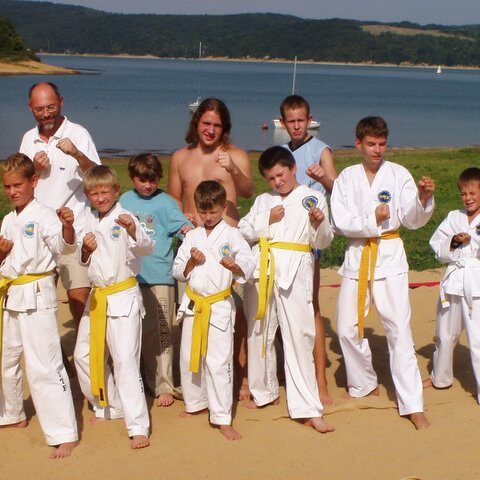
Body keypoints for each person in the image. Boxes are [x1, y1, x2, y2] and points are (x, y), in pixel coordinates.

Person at [330, 116, 435, 429]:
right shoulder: (347, 178)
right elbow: (339, 221)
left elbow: (411, 219)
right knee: (346, 328)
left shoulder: (398, 174)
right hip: (358, 255)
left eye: (382, 144)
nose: (377, 150)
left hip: (389, 256)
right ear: (358, 143)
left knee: (399, 330)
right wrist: (371, 218)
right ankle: (364, 383)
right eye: (371, 144)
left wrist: (422, 199)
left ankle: (412, 404)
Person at [239, 146, 334, 433]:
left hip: (296, 267)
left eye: (281, 175)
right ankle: (264, 392)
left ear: (293, 168)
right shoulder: (262, 201)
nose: (277, 182)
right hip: (263, 267)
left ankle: (307, 408)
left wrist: (319, 224)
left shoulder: (312, 197)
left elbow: (322, 241)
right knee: (259, 330)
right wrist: (267, 219)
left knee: (299, 335)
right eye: (271, 178)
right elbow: (244, 230)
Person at [168, 98, 254, 400]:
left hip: (228, 245)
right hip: (194, 244)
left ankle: (240, 377)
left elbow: (248, 191)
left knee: (236, 315)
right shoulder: (180, 157)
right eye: (206, 123)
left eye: (217, 125)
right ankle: (197, 385)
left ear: (224, 128)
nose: (210, 130)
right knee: (193, 311)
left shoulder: (236, 155)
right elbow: (174, 198)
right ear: (196, 123)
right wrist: (183, 222)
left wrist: (234, 170)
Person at [0, 153, 78, 459]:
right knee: (8, 360)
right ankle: (12, 413)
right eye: (7, 187)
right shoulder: (8, 220)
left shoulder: (44, 215)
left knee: (44, 364)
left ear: (33, 181)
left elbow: (63, 247)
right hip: (11, 294)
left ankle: (64, 433)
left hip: (37, 294)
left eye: (17, 185)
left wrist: (68, 226)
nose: (12, 191)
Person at [73, 165, 154, 449]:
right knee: (83, 355)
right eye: (94, 194)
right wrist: (85, 250)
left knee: (125, 362)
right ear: (88, 196)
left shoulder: (126, 217)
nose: (100, 198)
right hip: (97, 297)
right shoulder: (87, 219)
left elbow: (147, 247)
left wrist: (132, 230)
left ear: (116, 191)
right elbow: (82, 260)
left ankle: (138, 427)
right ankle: (109, 404)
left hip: (122, 295)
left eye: (105, 192)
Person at [173, 181, 255, 440]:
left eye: (213, 211)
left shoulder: (232, 234)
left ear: (224, 207)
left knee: (219, 361)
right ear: (196, 209)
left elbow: (248, 261)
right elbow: (177, 270)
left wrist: (235, 266)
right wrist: (190, 262)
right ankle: (196, 403)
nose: (208, 217)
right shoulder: (192, 236)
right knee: (189, 357)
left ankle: (222, 417)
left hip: (218, 305)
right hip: (194, 303)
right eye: (203, 212)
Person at [20, 82, 101, 330]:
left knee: (79, 300)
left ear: (61, 102)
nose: (46, 114)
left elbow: (99, 177)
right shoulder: (28, 138)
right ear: (30, 107)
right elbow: (19, 183)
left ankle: (88, 350)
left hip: (74, 231)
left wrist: (77, 154)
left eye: (51, 107)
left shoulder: (78, 134)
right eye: (40, 109)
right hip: (39, 234)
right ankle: (54, 353)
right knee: (37, 305)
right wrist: (34, 168)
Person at [120, 152, 191, 407]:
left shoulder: (165, 203)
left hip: (159, 275)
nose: (148, 185)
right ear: (132, 178)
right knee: (133, 333)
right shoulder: (124, 201)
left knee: (161, 333)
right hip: (129, 276)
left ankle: (164, 385)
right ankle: (139, 380)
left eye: (152, 180)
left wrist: (189, 230)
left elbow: (184, 230)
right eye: (142, 180)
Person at [280, 94, 338, 404]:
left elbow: (338, 190)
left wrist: (323, 178)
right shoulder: (280, 152)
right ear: (283, 123)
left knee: (311, 303)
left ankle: (320, 379)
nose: (297, 126)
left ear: (309, 120)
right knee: (283, 303)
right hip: (285, 236)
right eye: (291, 121)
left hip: (311, 236)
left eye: (301, 120)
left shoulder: (321, 149)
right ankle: (289, 371)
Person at [424, 167, 480, 401]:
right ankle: (441, 377)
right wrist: (454, 241)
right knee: (445, 333)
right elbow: (437, 244)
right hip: (454, 280)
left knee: (477, 337)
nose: (468, 198)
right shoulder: (454, 217)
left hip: (476, 282)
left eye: (473, 193)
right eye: (464, 194)